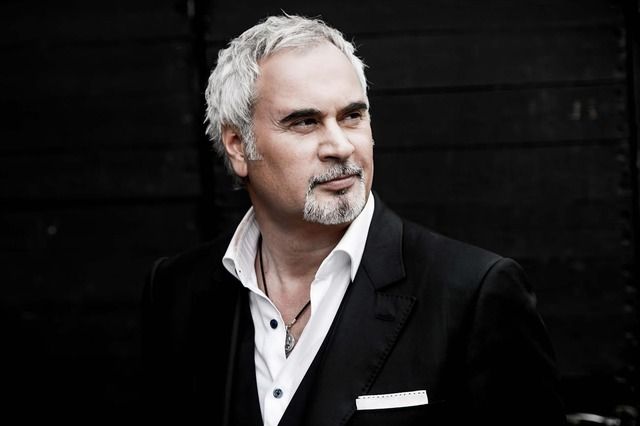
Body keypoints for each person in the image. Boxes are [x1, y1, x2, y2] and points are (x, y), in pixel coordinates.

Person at [141, 14, 566, 426]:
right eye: (305, 122)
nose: (341, 146)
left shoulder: (473, 292)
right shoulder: (177, 289)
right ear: (238, 146)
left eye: (352, 116)